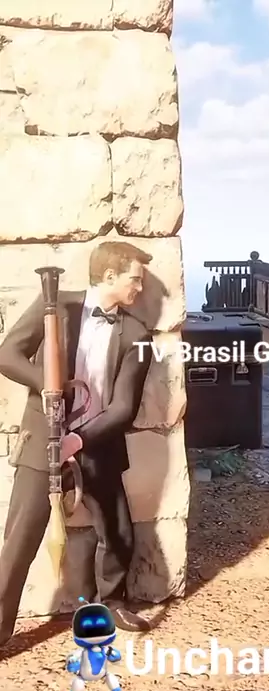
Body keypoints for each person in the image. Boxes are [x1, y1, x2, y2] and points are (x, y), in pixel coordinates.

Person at [0, 241, 155, 647]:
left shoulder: (137, 334)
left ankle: (114, 602)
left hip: (97, 443)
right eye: (135, 280)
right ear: (109, 276)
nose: (139, 288)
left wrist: (80, 439)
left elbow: (124, 408)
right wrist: (48, 384)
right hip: (44, 442)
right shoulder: (56, 307)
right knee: (19, 541)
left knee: (117, 531)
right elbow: (8, 354)